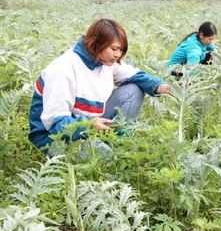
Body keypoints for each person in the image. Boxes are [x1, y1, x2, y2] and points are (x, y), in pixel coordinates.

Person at [28, 18, 173, 157]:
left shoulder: (104, 61)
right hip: (54, 137)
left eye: (121, 50)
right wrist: (89, 125)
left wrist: (163, 87)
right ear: (96, 43)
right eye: (114, 49)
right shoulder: (63, 71)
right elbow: (55, 124)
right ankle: (106, 149)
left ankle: (118, 142)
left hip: (91, 123)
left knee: (133, 90)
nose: (118, 55)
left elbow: (135, 75)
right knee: (109, 159)